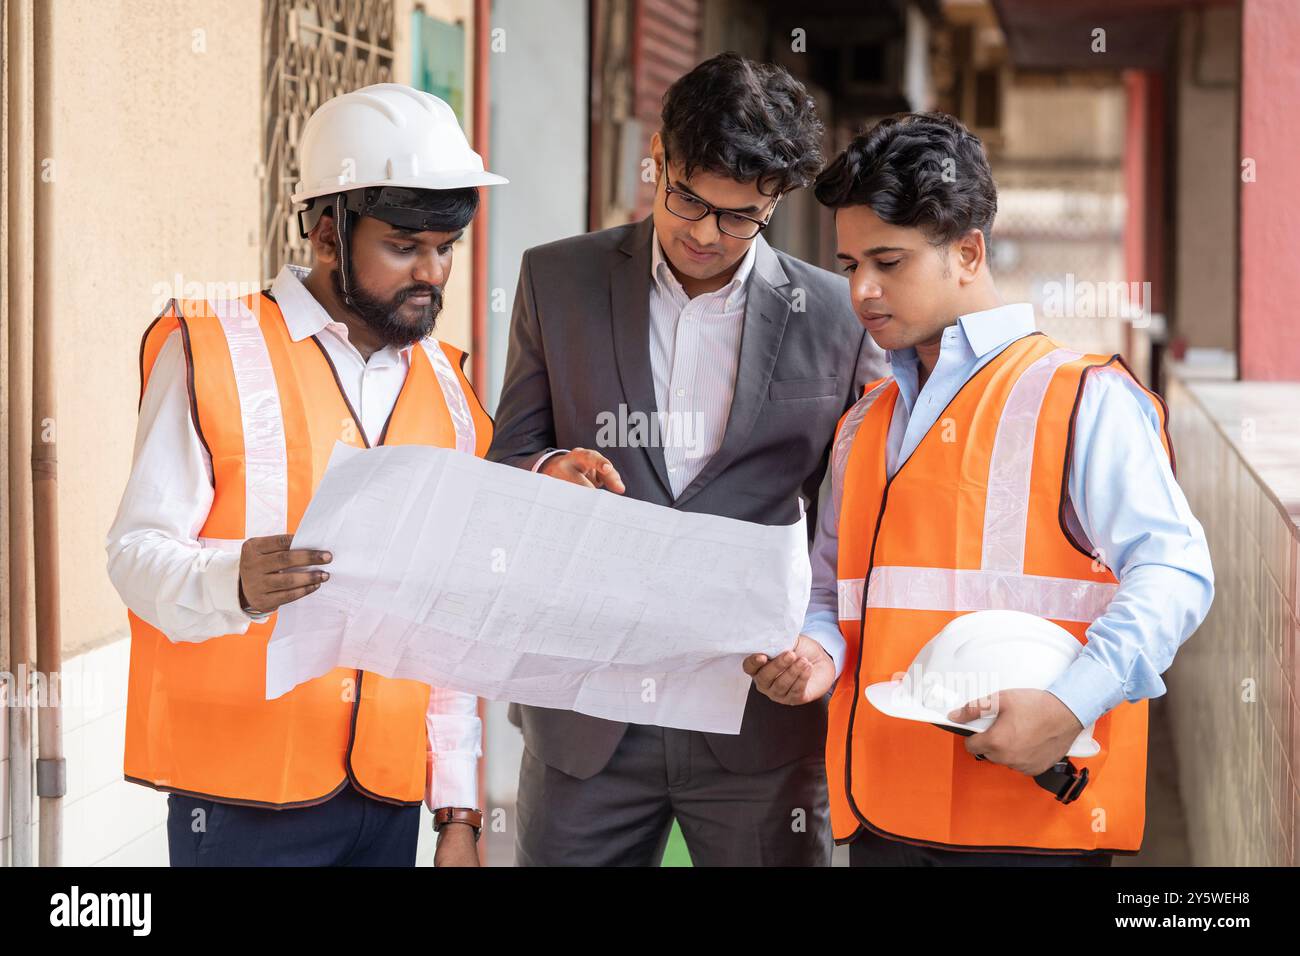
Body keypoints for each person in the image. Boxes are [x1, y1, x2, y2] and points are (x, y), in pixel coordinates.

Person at [748, 110, 1214, 865]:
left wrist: (1071, 703)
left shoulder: (1081, 397)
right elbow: (835, 597)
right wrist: (811, 658)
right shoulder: (866, 423)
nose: (861, 290)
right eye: (848, 264)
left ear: (968, 252)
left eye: (888, 262)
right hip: (883, 819)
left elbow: (1177, 572)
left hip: (1030, 822)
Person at [488, 52, 886, 867]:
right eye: (688, 200)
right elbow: (511, 457)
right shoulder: (555, 279)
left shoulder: (839, 322)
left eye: (740, 215)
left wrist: (821, 645)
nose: (706, 233)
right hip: (585, 716)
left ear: (775, 201)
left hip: (758, 718)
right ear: (659, 158)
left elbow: (854, 522)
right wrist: (547, 471)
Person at [107, 84, 505, 866]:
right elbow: (133, 554)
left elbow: (446, 616)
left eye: (447, 247)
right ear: (329, 234)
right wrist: (234, 583)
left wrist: (458, 808)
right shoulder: (209, 346)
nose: (433, 272)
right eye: (404, 246)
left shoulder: (452, 391)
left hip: (388, 800)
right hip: (239, 801)